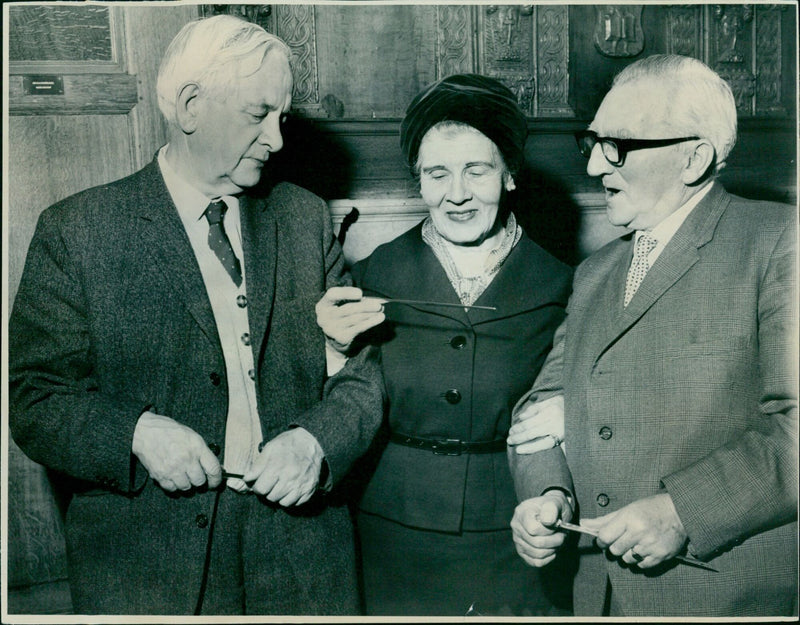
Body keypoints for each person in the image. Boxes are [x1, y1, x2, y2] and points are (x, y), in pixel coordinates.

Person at [8, 15, 383, 615]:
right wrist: (135, 432)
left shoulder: (305, 217)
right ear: (189, 106)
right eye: (257, 115)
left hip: (300, 560)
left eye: (281, 119)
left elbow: (363, 372)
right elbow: (35, 399)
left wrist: (317, 441)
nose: (277, 140)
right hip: (148, 567)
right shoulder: (76, 230)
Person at [507, 54, 798, 617]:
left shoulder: (780, 243)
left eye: (617, 146)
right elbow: (540, 406)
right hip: (598, 597)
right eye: (590, 141)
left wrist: (681, 511)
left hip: (722, 598)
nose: (593, 166)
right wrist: (547, 495)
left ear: (693, 158)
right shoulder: (595, 274)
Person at [316, 74, 573, 616]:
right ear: (419, 182)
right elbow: (338, 401)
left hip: (516, 533)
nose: (457, 193)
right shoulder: (371, 273)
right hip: (391, 533)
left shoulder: (563, 285)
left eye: (476, 171)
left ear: (509, 175)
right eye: (437, 174)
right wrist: (332, 354)